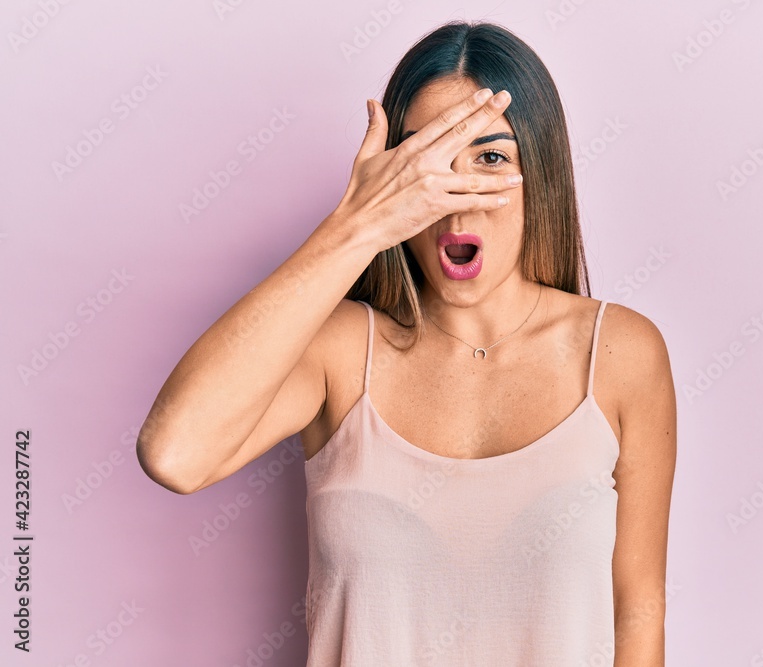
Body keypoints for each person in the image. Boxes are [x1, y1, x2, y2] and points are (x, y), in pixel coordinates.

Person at [137, 20, 676, 666]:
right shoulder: (340, 352)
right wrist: (357, 225)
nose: (455, 197)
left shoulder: (620, 355)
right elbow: (173, 453)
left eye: (490, 157)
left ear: (543, 172)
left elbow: (638, 612)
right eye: (427, 163)